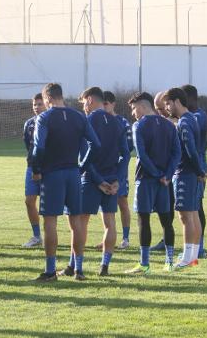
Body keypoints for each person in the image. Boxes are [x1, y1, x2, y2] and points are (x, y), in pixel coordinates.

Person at [31, 83, 100, 282]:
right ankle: (79, 269)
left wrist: (37, 170)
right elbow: (95, 144)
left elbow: (39, 148)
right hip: (73, 174)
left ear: (48, 99)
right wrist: (82, 166)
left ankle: (50, 270)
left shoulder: (44, 117)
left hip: (53, 174)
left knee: (50, 222)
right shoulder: (79, 116)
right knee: (76, 222)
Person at [59, 87, 128, 278]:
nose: (83, 106)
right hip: (112, 180)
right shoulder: (117, 122)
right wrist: (117, 181)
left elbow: (85, 155)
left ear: (89, 100)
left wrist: (97, 181)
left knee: (80, 223)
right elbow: (126, 155)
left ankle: (77, 268)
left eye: (83, 102)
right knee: (110, 223)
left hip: (91, 179)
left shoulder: (87, 120)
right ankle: (104, 266)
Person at [124, 92, 180, 275]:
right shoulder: (169, 125)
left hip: (146, 180)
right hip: (164, 181)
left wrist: (157, 175)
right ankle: (169, 263)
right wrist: (167, 175)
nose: (133, 113)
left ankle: (144, 265)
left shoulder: (139, 125)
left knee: (143, 220)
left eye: (133, 108)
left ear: (142, 106)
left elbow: (141, 154)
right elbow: (176, 153)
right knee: (167, 221)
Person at [164, 87, 207, 269]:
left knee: (185, 216)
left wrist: (198, 171)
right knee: (194, 213)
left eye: (167, 103)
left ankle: (187, 258)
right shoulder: (192, 118)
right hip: (193, 173)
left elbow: (190, 149)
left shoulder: (184, 122)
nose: (166, 108)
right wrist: (201, 171)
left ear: (176, 101)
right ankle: (193, 256)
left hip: (186, 174)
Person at [102, 91, 134, 249]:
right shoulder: (98, 121)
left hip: (118, 169)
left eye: (106, 103)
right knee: (107, 206)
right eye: (102, 103)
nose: (104, 106)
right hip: (103, 170)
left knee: (122, 202)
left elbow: (129, 147)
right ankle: (108, 238)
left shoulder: (122, 122)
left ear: (113, 104)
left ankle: (126, 238)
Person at [181, 84, 207, 258]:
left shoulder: (197, 116)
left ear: (190, 98)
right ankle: (196, 247)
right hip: (193, 165)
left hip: (196, 166)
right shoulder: (192, 116)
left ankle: (199, 247)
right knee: (191, 208)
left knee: (196, 207)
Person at [148, 90, 177, 253]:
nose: (159, 112)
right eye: (157, 109)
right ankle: (166, 240)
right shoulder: (163, 123)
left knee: (187, 210)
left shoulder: (175, 123)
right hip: (165, 174)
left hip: (174, 173)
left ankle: (195, 246)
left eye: (161, 108)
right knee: (167, 208)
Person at [22, 93, 46, 248]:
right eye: (34, 104)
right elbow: (28, 145)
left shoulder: (51, 122)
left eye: (39, 104)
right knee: (29, 202)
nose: (36, 107)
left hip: (49, 169)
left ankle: (50, 236)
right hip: (31, 168)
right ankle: (37, 236)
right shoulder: (29, 124)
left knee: (48, 205)